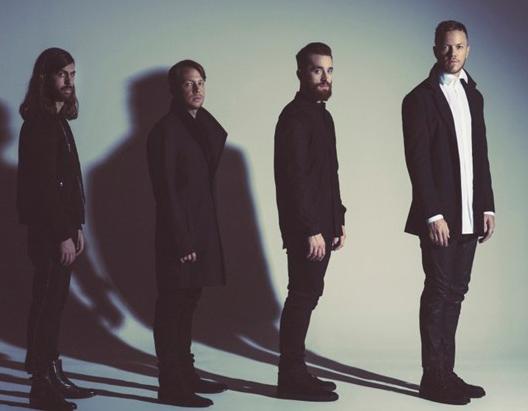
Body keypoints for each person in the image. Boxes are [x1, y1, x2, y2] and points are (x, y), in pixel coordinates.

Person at [402, 20, 496, 405]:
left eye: (459, 46)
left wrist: (487, 205)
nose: (452, 53)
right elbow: (418, 161)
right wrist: (432, 214)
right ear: (435, 49)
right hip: (440, 216)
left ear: (468, 49)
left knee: (456, 292)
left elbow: (480, 154)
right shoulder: (418, 99)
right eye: (446, 46)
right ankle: (432, 377)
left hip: (471, 212)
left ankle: (446, 372)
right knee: (438, 291)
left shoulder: (475, 96)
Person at [17, 47, 95, 411]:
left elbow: (69, 182)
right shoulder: (38, 124)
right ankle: (40, 384)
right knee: (46, 304)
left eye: (72, 74)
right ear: (43, 78)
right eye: (62, 74)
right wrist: (63, 232)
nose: (69, 81)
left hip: (62, 228)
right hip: (49, 232)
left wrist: (76, 226)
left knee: (54, 303)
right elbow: (44, 188)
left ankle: (51, 371)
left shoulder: (58, 121)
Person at [146, 60, 228, 407]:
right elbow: (165, 190)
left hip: (200, 231)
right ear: (174, 89)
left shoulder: (199, 125)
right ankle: (170, 384)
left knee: (188, 303)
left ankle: (186, 373)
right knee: (172, 307)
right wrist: (182, 239)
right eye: (188, 84)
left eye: (201, 82)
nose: (197, 89)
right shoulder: (166, 131)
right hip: (179, 235)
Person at [274, 42, 346, 402]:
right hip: (308, 229)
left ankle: (296, 371)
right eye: (317, 70)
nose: (325, 77)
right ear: (301, 73)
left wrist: (338, 218)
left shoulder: (322, 116)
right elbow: (295, 179)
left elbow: (329, 174)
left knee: (308, 295)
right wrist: (310, 229)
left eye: (329, 70)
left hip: (323, 224)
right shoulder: (295, 117)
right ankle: (290, 378)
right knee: (302, 296)